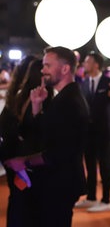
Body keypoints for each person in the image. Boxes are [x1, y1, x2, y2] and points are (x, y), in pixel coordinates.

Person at [3, 46, 90, 226]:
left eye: (48, 66)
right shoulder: (62, 98)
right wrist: (36, 107)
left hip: (60, 184)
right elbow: (46, 134)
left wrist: (23, 161)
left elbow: (58, 152)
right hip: (56, 183)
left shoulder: (69, 103)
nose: (43, 70)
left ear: (65, 69)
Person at [75, 51, 110, 212]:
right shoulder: (84, 83)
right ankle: (91, 197)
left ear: (96, 65)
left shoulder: (109, 82)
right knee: (90, 165)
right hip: (88, 132)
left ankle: (106, 200)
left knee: (105, 166)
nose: (85, 64)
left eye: (87, 61)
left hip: (104, 131)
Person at [0, 55, 39, 226]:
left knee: (16, 200)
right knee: (24, 204)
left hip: (11, 157)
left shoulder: (15, 96)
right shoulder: (28, 97)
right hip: (22, 162)